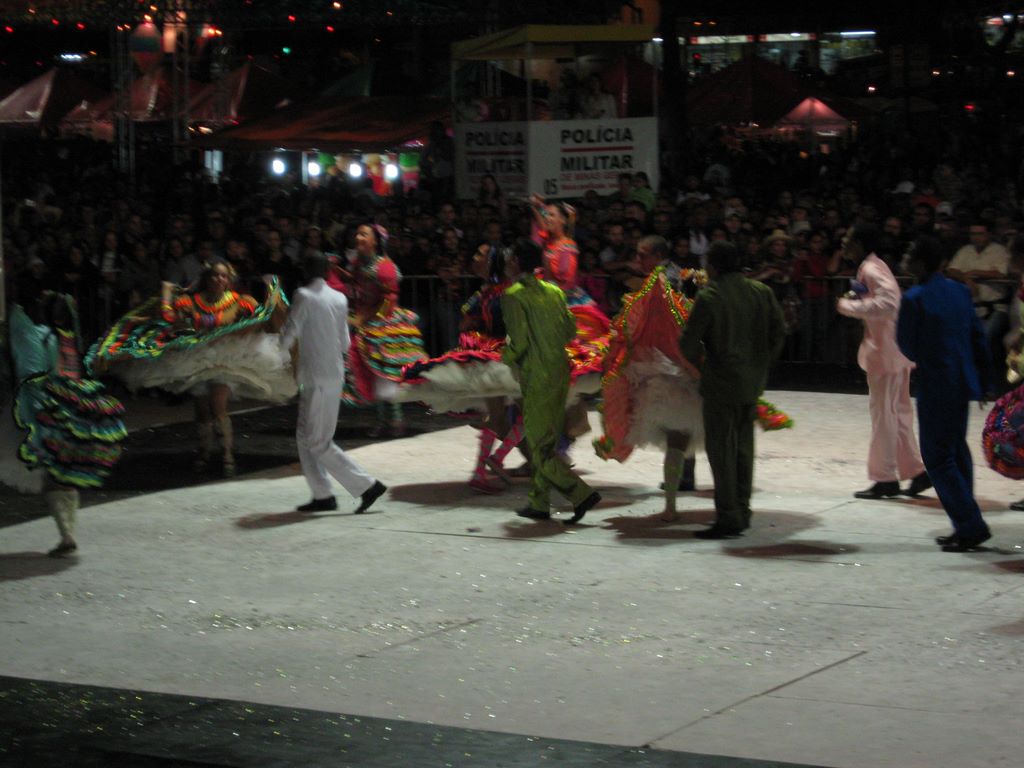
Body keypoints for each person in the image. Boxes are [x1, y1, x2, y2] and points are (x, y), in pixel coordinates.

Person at [89, 261, 294, 477]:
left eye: (223, 276)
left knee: (218, 405)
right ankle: (204, 452)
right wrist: (167, 292)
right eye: (215, 275)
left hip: (227, 358)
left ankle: (227, 455)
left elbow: (262, 318)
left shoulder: (240, 301)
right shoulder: (192, 301)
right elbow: (169, 319)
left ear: (229, 279)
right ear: (206, 278)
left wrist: (273, 292)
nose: (219, 280)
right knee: (202, 411)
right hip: (195, 358)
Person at [679, 241, 786, 538]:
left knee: (721, 450)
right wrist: (762, 363)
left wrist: (704, 363)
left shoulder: (710, 296)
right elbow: (780, 332)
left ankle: (729, 516)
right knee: (743, 447)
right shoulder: (761, 292)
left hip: (720, 383)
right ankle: (743, 507)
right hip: (751, 382)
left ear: (713, 266)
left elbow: (687, 345)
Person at [7, 291, 127, 556]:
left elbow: (31, 370)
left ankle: (67, 535)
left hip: (56, 413)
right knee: (67, 475)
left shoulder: (42, 336)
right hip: (77, 411)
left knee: (56, 477)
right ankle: (68, 533)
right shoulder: (71, 339)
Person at [594, 236, 705, 521]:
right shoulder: (667, 277)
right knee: (683, 428)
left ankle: (678, 492)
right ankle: (682, 483)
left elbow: (674, 320)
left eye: (643, 254)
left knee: (680, 428)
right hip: (669, 363)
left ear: (657, 255)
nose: (638, 259)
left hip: (670, 363)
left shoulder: (663, 281)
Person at [898, 236, 994, 551]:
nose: (906, 258)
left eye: (910, 252)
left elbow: (906, 346)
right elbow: (977, 336)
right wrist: (983, 379)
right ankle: (964, 522)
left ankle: (970, 524)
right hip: (962, 381)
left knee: (937, 457)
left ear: (922, 262)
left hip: (936, 383)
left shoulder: (915, 297)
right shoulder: (959, 291)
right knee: (956, 450)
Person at [502, 238, 601, 524]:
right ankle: (538, 502)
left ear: (517, 263)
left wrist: (504, 356)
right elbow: (571, 330)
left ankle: (581, 493)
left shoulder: (514, 295)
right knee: (546, 440)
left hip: (536, 375)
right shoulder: (555, 291)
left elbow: (518, 342)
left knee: (538, 446)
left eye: (510, 259)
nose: (507, 264)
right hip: (560, 371)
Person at [280, 252, 387, 514]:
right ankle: (322, 493)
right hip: (333, 374)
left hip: (314, 376)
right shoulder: (339, 298)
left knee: (316, 441)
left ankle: (366, 485)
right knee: (307, 436)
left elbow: (290, 332)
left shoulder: (303, 296)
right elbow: (345, 342)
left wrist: (274, 350)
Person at [836, 225, 930, 500]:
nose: (843, 242)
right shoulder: (873, 266)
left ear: (859, 243)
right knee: (897, 413)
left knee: (884, 416)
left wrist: (847, 306)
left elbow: (889, 303)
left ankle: (886, 478)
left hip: (885, 352)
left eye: (848, 239)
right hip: (893, 350)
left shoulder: (871, 268)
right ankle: (915, 471)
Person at [340, 223, 427, 437]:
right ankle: (380, 420)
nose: (359, 237)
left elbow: (389, 300)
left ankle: (396, 419)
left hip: (385, 324)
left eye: (364, 234)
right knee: (371, 373)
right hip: (364, 322)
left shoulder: (385, 266)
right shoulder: (357, 264)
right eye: (357, 233)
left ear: (375, 241)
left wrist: (367, 318)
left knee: (386, 375)